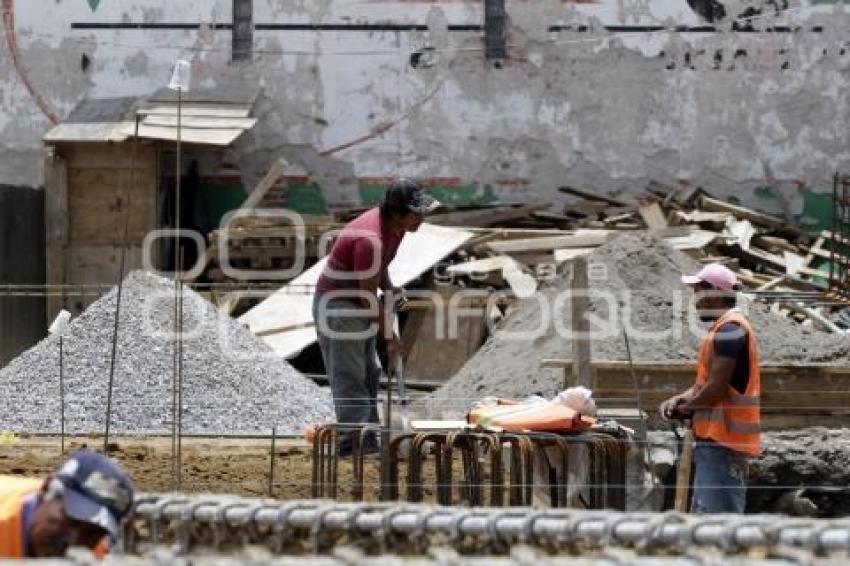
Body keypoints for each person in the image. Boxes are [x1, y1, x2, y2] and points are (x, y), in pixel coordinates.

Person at [313, 178, 440, 456]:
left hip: (357, 300)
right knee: (350, 375)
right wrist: (390, 336)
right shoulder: (369, 238)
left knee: (370, 372)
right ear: (398, 212)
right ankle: (352, 441)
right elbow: (366, 295)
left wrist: (391, 288)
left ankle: (367, 437)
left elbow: (377, 269)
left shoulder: (396, 229)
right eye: (416, 213)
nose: (421, 218)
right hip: (339, 306)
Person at [659, 263, 760, 513]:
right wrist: (680, 399)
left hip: (723, 444)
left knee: (717, 528)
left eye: (698, 293)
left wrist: (686, 409)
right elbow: (706, 384)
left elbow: (715, 389)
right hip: (717, 445)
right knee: (707, 524)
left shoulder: (730, 330)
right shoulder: (725, 328)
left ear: (713, 292)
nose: (695, 302)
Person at [0, 449, 134, 558]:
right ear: (46, 489)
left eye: (91, 533)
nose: (73, 543)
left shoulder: (95, 555)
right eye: (71, 521)